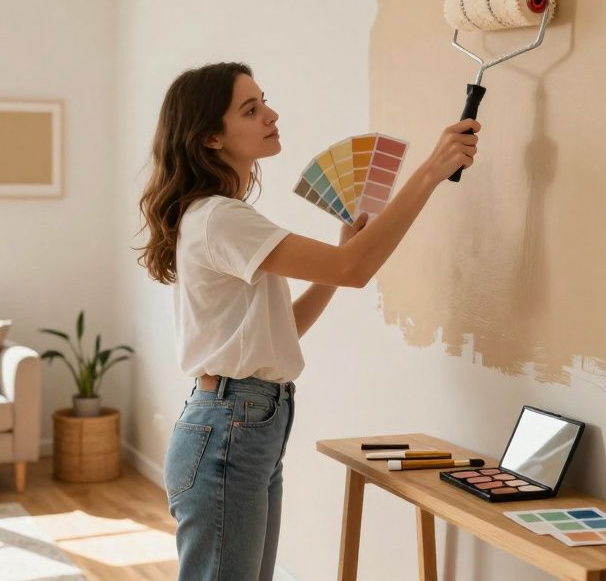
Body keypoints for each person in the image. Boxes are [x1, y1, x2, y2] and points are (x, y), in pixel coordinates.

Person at [136, 61, 479, 580]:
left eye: (264, 101)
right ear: (210, 136)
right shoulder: (220, 218)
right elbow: (354, 269)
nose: (271, 115)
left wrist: (337, 265)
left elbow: (282, 331)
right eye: (250, 109)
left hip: (244, 423)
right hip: (232, 425)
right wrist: (431, 170)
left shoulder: (217, 216)